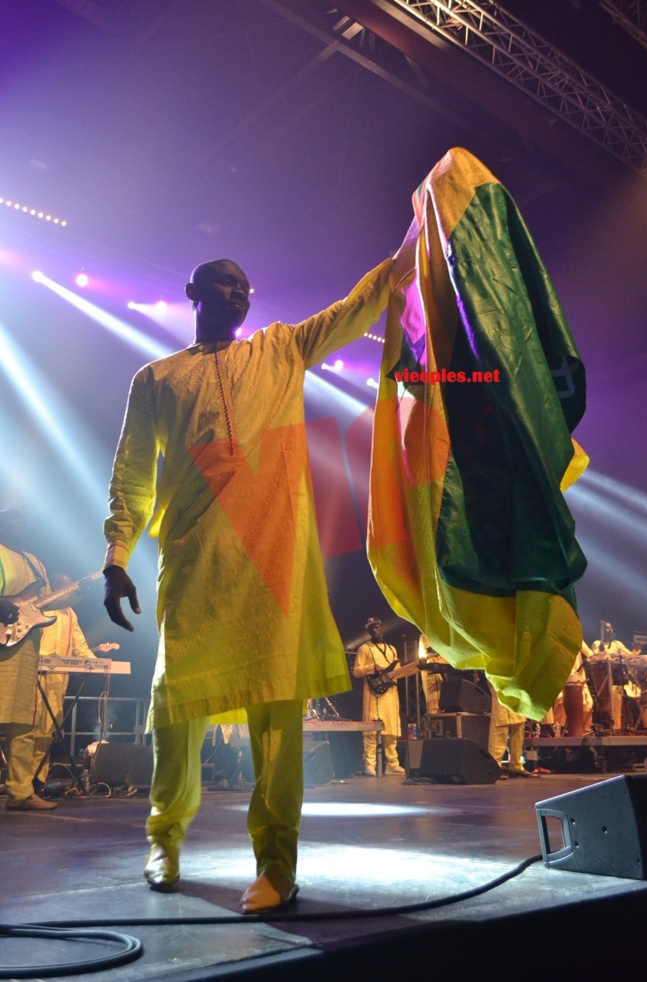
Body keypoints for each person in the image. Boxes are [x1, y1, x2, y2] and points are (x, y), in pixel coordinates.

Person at [103, 257, 391, 911]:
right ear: (193, 295)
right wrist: (116, 554)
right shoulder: (157, 378)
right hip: (195, 564)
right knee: (176, 712)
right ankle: (164, 840)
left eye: (246, 287)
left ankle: (277, 864)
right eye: (226, 284)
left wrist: (404, 257)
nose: (240, 293)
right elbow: (131, 474)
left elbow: (353, 310)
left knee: (277, 720)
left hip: (273, 568)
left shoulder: (282, 348)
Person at [0, 509, 57, 811]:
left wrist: (75, 594)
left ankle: (20, 793)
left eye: (25, 518)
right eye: (15, 517)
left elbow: (44, 602)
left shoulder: (36, 562)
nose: (23, 521)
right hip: (1, 646)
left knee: (23, 723)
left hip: (26, 650)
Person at [33, 574, 97, 784]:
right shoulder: (38, 608)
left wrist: (96, 664)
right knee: (30, 728)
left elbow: (80, 645)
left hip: (58, 680)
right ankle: (23, 780)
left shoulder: (70, 613)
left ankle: (38, 781)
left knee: (49, 731)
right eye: (65, 588)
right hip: (34, 676)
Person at [352, 617, 404, 776]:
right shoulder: (364, 649)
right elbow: (356, 672)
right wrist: (371, 667)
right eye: (371, 628)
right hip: (373, 694)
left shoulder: (392, 649)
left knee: (391, 729)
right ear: (368, 631)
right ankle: (370, 764)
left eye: (377, 627)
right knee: (371, 730)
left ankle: (392, 764)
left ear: (382, 628)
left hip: (390, 694)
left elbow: (399, 671)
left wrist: (416, 666)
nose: (374, 630)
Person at [488, 680, 535, 778]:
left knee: (518, 725)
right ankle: (495, 767)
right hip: (500, 681)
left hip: (516, 683)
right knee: (499, 726)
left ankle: (516, 766)